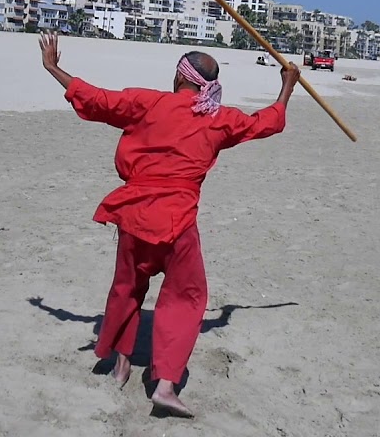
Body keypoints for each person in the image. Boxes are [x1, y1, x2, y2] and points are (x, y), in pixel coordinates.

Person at [38, 32, 301, 418]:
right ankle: (164, 385)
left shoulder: (148, 103)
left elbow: (98, 99)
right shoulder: (219, 119)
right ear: (208, 84)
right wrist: (287, 87)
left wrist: (53, 67)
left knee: (127, 288)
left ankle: (122, 364)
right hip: (177, 222)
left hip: (135, 214)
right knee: (187, 297)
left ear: (179, 78)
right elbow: (265, 122)